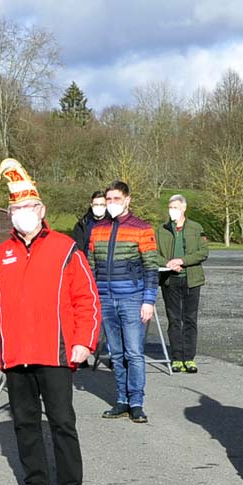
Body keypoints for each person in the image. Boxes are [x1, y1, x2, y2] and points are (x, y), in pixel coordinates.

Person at [0, 158, 100, 485]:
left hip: (56, 352)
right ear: (10, 214)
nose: (22, 213)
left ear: (41, 209)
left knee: (62, 423)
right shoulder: (0, 256)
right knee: (25, 424)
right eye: (16, 208)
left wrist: (84, 341)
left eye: (28, 207)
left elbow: (87, 299)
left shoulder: (65, 249)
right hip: (16, 354)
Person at [88, 180, 160, 423]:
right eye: (108, 200)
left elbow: (151, 268)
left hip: (131, 298)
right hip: (105, 298)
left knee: (134, 353)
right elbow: (90, 266)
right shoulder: (97, 230)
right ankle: (122, 400)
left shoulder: (142, 228)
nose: (112, 204)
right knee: (116, 354)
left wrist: (148, 300)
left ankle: (136, 402)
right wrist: (92, 298)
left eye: (116, 199)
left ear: (127, 200)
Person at [156, 194, 209, 374]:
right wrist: (167, 263)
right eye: (170, 207)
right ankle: (177, 357)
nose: (173, 211)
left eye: (176, 207)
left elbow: (203, 252)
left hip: (192, 279)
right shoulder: (161, 229)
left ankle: (189, 358)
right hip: (170, 280)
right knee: (174, 319)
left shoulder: (196, 228)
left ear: (184, 208)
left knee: (190, 318)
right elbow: (152, 253)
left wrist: (182, 260)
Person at [71, 190, 106, 254]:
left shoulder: (112, 223)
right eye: (96, 204)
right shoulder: (82, 225)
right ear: (91, 205)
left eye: (101, 204)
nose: (99, 207)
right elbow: (76, 250)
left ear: (106, 205)